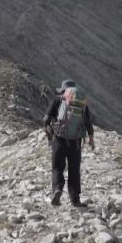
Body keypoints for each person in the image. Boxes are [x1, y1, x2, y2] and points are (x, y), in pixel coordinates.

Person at [43, 79, 95, 207]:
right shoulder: (81, 102)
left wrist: (49, 132)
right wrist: (91, 139)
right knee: (74, 169)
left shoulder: (58, 99)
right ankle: (75, 199)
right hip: (76, 140)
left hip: (59, 137)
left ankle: (57, 190)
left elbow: (46, 119)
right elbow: (88, 122)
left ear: (63, 90)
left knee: (57, 167)